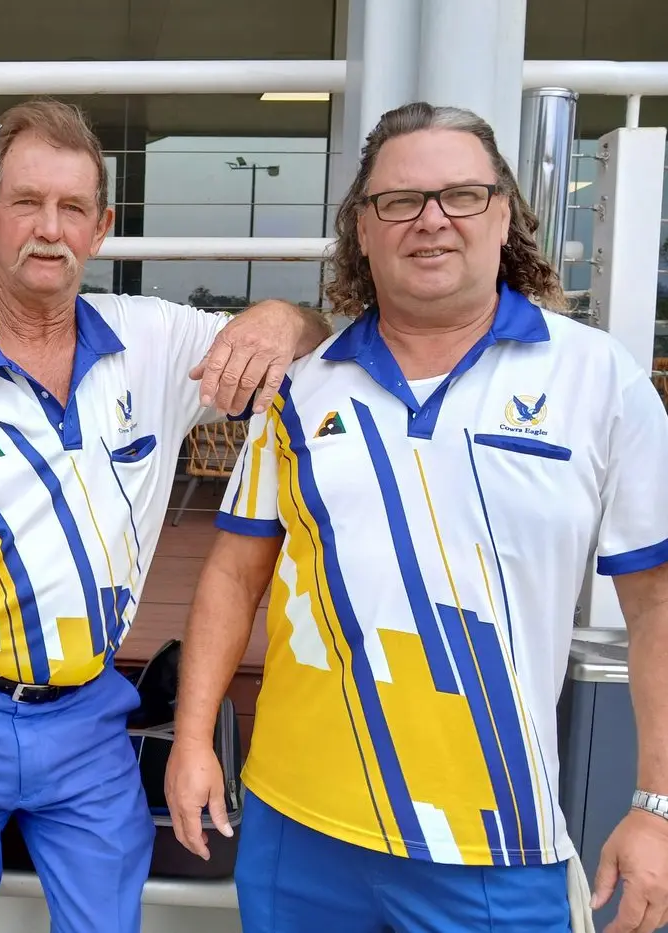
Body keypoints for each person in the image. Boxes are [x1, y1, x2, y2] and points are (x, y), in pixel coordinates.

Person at [164, 100, 668, 933]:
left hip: (496, 843)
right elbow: (233, 569)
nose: (430, 221)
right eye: (398, 202)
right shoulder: (302, 388)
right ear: (361, 231)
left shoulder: (599, 382)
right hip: (298, 826)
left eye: (461, 195)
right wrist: (191, 741)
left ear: (504, 214)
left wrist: (655, 802)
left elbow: (654, 604)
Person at [0, 98, 330, 932]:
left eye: (72, 208)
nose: (49, 228)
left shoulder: (156, 342)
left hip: (89, 717)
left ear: (101, 227)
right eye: (26, 202)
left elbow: (316, 343)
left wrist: (283, 316)